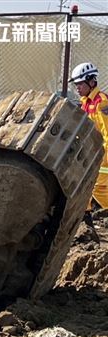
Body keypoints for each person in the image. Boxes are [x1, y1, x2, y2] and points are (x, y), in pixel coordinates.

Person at [70, 62, 108, 222]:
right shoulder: (86, 101)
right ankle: (85, 218)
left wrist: (104, 158)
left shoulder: (101, 102)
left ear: (91, 82)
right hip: (91, 152)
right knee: (82, 182)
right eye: (76, 85)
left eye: (80, 84)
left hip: (103, 153)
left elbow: (107, 132)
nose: (77, 88)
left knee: (99, 186)